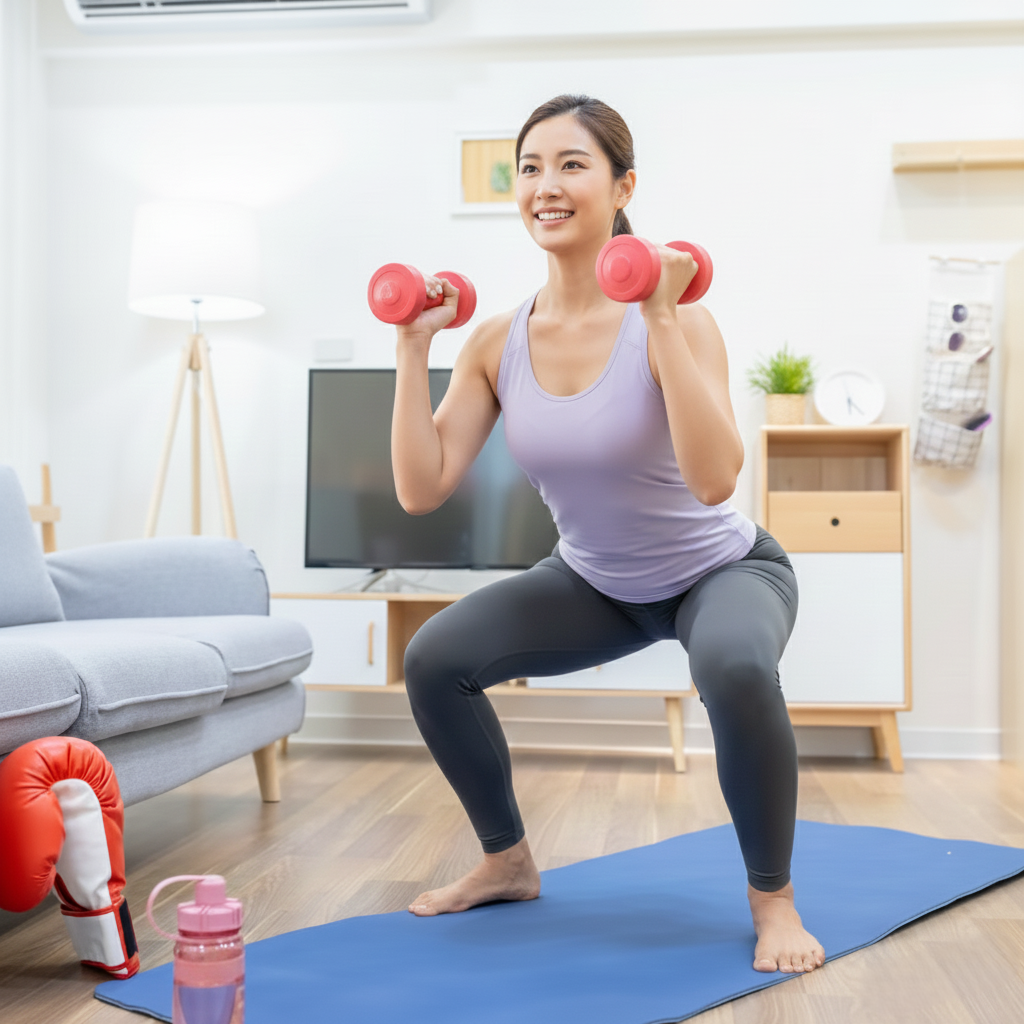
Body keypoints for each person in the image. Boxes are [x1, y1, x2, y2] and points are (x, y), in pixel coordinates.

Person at [390, 94, 825, 975]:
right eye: (532, 168)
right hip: (596, 582)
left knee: (735, 665)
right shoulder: (496, 339)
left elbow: (714, 481)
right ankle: (507, 861)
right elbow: (421, 487)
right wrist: (410, 348)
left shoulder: (679, 318)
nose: (546, 186)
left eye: (573, 165)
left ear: (624, 185)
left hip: (722, 570)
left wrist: (660, 316)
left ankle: (772, 899)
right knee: (436, 658)